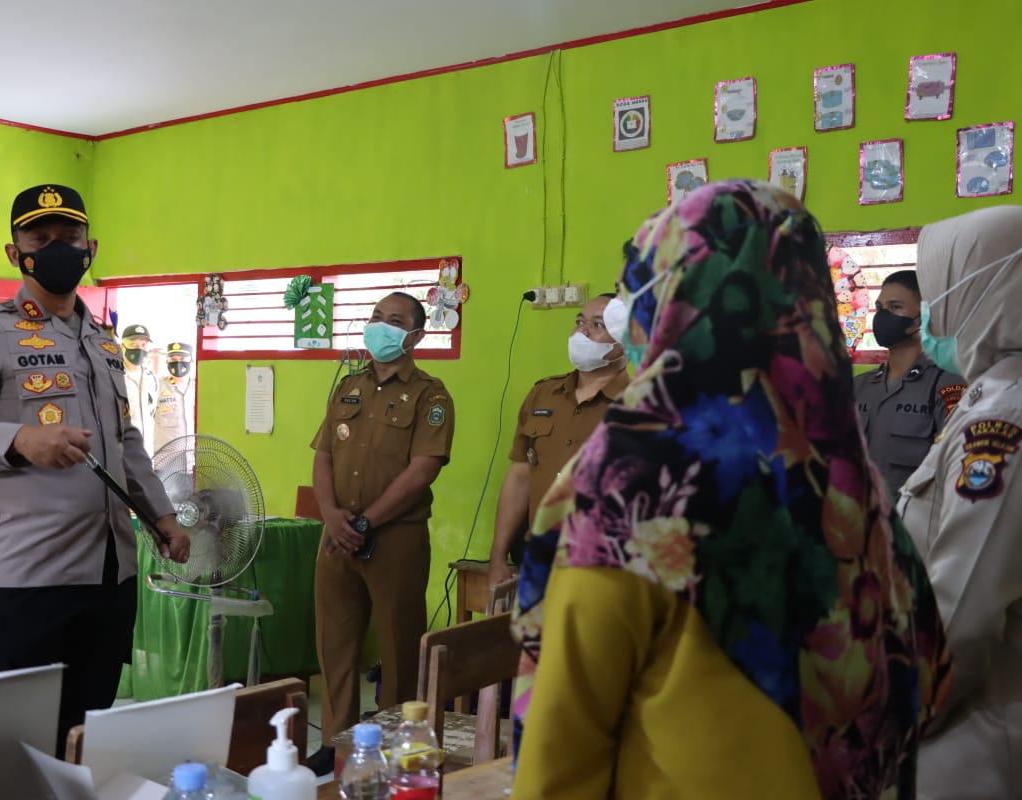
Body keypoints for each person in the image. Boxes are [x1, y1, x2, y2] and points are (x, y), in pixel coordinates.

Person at [510, 180, 951, 799]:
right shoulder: (850, 477)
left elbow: (560, 753)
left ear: (676, 301)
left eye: (641, 286)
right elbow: (925, 681)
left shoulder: (634, 481)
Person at [0, 184, 190, 755]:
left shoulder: (105, 343)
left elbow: (126, 441)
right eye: (39, 239)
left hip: (109, 580)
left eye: (69, 236)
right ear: (14, 254)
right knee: (8, 748)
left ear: (91, 247)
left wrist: (161, 515)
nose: (57, 248)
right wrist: (19, 439)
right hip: (28, 581)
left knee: (83, 739)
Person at [898, 205, 1022, 799]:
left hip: (975, 742)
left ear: (984, 289)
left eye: (935, 292)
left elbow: (961, 612)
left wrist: (877, 727)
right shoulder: (989, 396)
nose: (927, 314)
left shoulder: (1004, 416)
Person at [306, 291, 455, 776]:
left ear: (416, 336)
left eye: (394, 320)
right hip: (337, 536)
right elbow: (323, 455)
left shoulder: (432, 396)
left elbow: (423, 469)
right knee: (335, 642)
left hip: (395, 539)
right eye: (376, 317)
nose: (380, 326)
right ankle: (335, 742)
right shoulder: (348, 387)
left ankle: (393, 741)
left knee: (398, 647)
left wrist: (367, 521)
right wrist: (331, 514)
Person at [487, 294, 629, 588]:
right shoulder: (543, 394)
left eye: (597, 325)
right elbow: (520, 475)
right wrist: (498, 557)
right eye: (579, 321)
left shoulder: (641, 403)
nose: (582, 331)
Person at [854, 270, 964, 497]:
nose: (883, 317)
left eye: (895, 307)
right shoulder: (859, 386)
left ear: (923, 316)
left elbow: (954, 467)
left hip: (914, 516)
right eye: (880, 308)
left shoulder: (946, 385)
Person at [121, 323, 159, 455]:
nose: (139, 349)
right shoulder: (115, 376)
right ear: (122, 346)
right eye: (133, 345)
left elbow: (152, 413)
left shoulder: (152, 378)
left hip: (147, 452)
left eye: (143, 345)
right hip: (123, 453)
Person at [153, 341, 196, 453]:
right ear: (167, 362)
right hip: (165, 460)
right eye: (173, 360)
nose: (178, 363)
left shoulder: (199, 387)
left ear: (191, 360)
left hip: (194, 459)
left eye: (182, 359)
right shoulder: (157, 387)